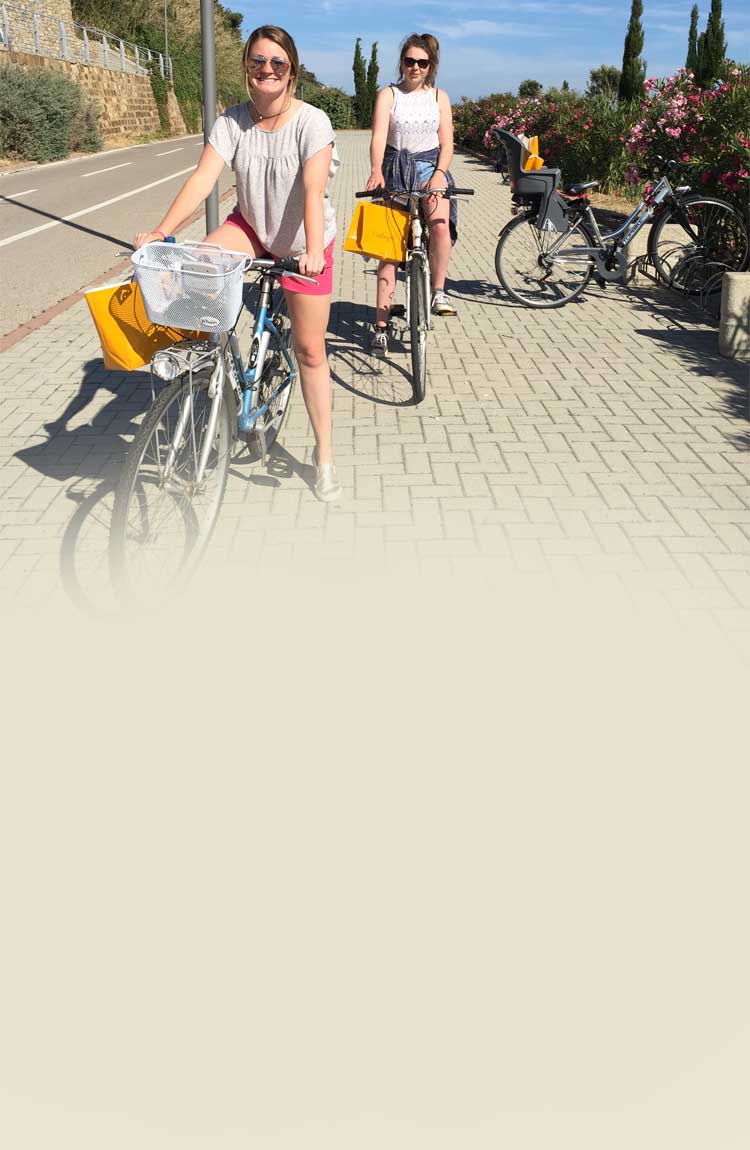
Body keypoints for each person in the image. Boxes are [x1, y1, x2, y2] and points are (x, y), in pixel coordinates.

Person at [133, 25, 342, 502]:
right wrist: (163, 232)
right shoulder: (231, 122)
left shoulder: (313, 122)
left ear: (291, 71)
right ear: (246, 68)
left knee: (310, 351)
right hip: (250, 227)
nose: (266, 71)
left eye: (277, 63)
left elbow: (312, 191)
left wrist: (311, 250)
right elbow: (203, 178)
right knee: (199, 264)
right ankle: (207, 365)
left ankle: (325, 456)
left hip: (302, 241)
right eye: (256, 62)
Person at [365, 32, 458, 356]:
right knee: (388, 249)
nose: (415, 67)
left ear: (431, 65)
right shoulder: (388, 95)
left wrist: (439, 175)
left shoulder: (439, 98)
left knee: (440, 226)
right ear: (402, 62)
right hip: (395, 168)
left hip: (431, 167)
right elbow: (378, 136)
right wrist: (376, 170)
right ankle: (380, 325)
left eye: (422, 62)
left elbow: (447, 143)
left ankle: (439, 291)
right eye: (409, 61)